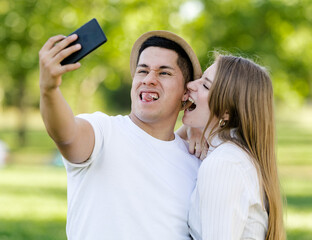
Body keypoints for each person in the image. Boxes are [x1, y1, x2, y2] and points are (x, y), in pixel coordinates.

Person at [39, 30, 202, 239]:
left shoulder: (196, 164)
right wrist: (49, 90)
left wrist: (199, 127)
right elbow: (66, 136)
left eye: (164, 73)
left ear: (186, 94)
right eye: (142, 71)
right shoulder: (103, 131)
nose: (149, 79)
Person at [178, 54, 286, 240]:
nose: (190, 85)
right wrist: (191, 127)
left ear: (226, 111)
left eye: (205, 85)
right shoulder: (234, 155)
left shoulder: (224, 164)